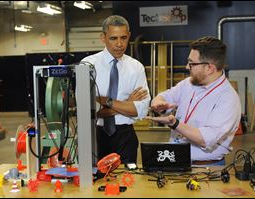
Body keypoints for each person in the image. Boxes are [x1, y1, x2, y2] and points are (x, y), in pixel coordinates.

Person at [147, 36, 241, 166]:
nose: (187, 67)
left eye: (191, 64)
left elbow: (205, 139)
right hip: (176, 160)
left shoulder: (228, 99)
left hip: (206, 167)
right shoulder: (189, 83)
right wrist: (158, 102)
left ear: (209, 68)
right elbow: (166, 96)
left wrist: (175, 123)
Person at [81, 15, 151, 164]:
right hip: (95, 135)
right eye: (113, 38)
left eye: (124, 38)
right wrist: (126, 103)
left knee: (127, 183)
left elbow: (142, 110)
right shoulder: (87, 65)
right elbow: (88, 111)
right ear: (103, 37)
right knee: (95, 183)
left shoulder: (136, 67)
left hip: (125, 137)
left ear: (129, 36)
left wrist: (106, 101)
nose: (119, 44)